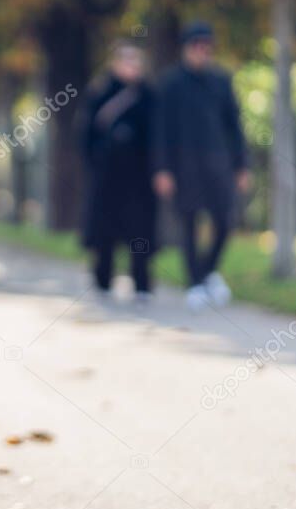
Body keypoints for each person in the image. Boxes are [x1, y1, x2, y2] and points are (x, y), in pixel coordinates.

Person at [152, 21, 249, 310]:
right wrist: (162, 169)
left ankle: (208, 272)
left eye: (206, 47)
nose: (201, 52)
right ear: (186, 48)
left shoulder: (221, 81)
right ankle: (194, 283)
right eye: (196, 46)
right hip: (183, 167)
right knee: (189, 224)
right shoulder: (170, 84)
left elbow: (235, 127)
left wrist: (242, 165)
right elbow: (161, 130)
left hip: (218, 165)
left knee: (224, 221)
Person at [79, 41, 158, 304]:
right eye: (126, 60)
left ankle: (142, 283)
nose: (131, 67)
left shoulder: (148, 96)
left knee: (141, 231)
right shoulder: (100, 94)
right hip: (108, 175)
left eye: (135, 61)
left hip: (139, 178)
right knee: (105, 230)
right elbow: (86, 135)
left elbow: (158, 136)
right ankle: (102, 279)